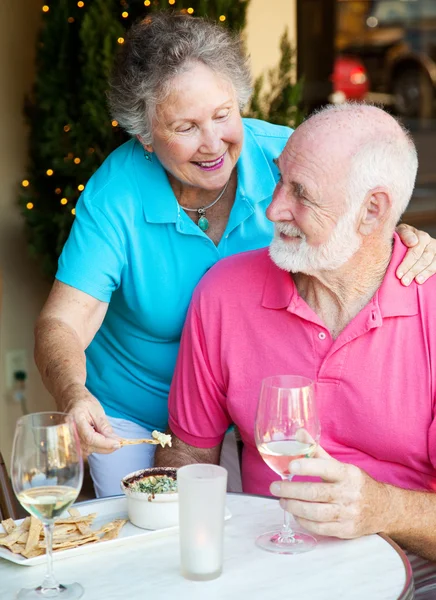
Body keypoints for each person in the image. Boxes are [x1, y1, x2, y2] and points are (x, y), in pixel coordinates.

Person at [34, 13, 435, 499]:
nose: (213, 143)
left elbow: (356, 212)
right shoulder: (117, 195)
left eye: (224, 115)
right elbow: (63, 323)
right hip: (138, 415)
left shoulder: (285, 161)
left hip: (251, 409)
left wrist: (400, 237)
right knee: (150, 531)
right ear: (144, 135)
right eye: (185, 126)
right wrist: (75, 396)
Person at [155, 103, 436, 594]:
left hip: (412, 574)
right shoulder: (223, 293)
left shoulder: (429, 304)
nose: (273, 209)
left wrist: (383, 508)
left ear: (373, 210)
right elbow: (187, 457)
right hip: (261, 569)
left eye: (301, 194)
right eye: (279, 179)